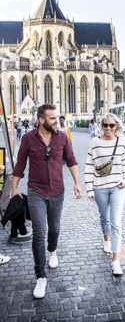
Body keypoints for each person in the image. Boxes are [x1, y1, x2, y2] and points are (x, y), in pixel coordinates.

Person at [11, 103, 82, 299]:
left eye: (57, 117)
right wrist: (15, 187)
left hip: (58, 191)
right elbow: (20, 164)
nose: (57, 121)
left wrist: (77, 183)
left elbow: (72, 160)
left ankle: (52, 250)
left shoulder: (62, 137)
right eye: (52, 118)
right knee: (39, 233)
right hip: (36, 192)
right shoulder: (27, 139)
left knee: (55, 229)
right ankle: (40, 276)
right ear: (41, 120)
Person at [84, 113, 125, 276]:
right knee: (104, 217)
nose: (109, 128)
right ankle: (106, 239)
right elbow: (89, 165)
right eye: (106, 125)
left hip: (118, 187)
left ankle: (116, 262)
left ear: (117, 126)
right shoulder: (95, 142)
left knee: (116, 222)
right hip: (99, 188)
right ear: (101, 126)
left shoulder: (122, 141)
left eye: (112, 125)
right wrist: (89, 189)